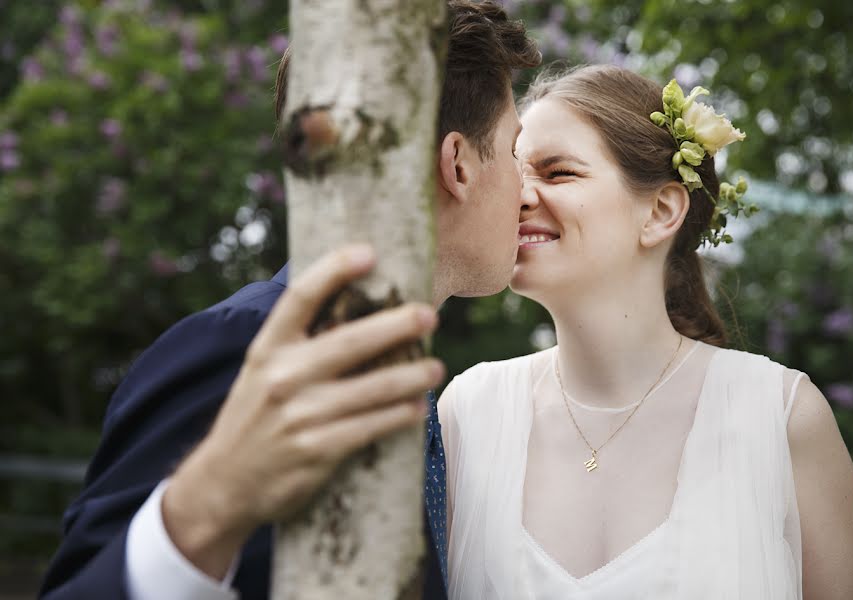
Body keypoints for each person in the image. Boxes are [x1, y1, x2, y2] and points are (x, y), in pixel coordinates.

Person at [39, 2, 540, 598]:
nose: (526, 189)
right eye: (514, 152)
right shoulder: (240, 351)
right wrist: (201, 508)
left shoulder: (419, 391)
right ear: (457, 164)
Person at [439, 65, 853, 599]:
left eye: (558, 173)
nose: (519, 197)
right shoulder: (467, 413)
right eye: (515, 168)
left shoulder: (782, 417)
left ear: (661, 210)